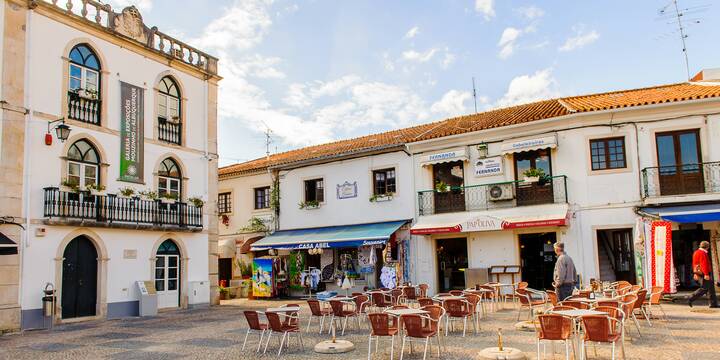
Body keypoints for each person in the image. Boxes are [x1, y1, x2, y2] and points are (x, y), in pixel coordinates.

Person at [688, 241, 719, 308]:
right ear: (707, 247)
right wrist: (706, 274)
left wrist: (695, 273)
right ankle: (691, 297)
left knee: (711, 288)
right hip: (704, 273)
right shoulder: (703, 253)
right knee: (704, 288)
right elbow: (704, 264)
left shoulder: (696, 252)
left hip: (699, 272)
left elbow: (694, 264)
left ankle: (713, 304)